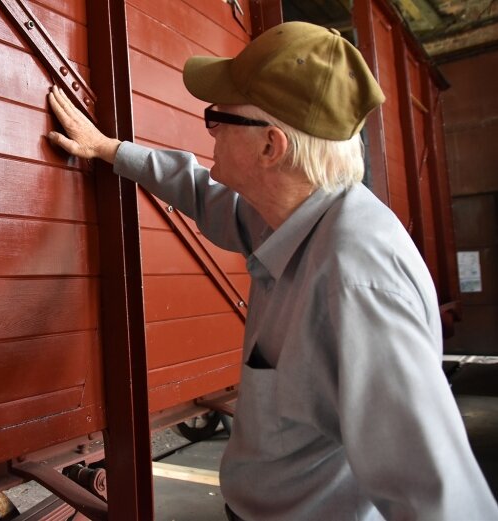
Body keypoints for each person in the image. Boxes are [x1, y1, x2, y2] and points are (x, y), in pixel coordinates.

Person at [46, 21, 498, 521]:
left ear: (271, 146)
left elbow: (443, 501)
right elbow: (200, 193)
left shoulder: (355, 282)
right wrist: (111, 150)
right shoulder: (291, 216)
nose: (210, 129)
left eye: (218, 117)